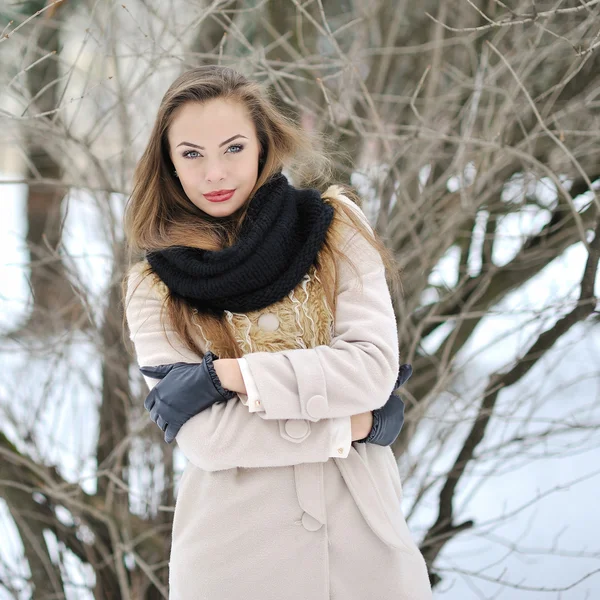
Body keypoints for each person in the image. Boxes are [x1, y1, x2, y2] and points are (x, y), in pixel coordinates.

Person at [123, 65, 432, 600]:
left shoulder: (336, 228)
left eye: (234, 147)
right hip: (234, 557)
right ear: (169, 164)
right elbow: (211, 440)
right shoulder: (152, 286)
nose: (215, 173)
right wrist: (349, 427)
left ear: (263, 146)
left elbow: (372, 369)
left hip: (364, 545)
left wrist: (230, 375)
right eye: (191, 154)